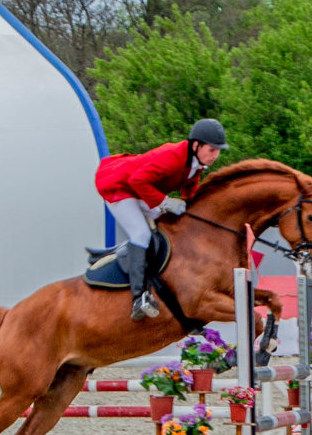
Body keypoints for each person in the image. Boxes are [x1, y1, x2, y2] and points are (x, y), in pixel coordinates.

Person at [95, 118, 228, 320]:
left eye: (218, 151)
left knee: (169, 221)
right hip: (119, 188)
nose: (215, 156)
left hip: (140, 191)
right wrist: (166, 202)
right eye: (211, 150)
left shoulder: (196, 163)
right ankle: (139, 297)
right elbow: (137, 180)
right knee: (141, 233)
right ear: (196, 145)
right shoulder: (173, 157)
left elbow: (190, 190)